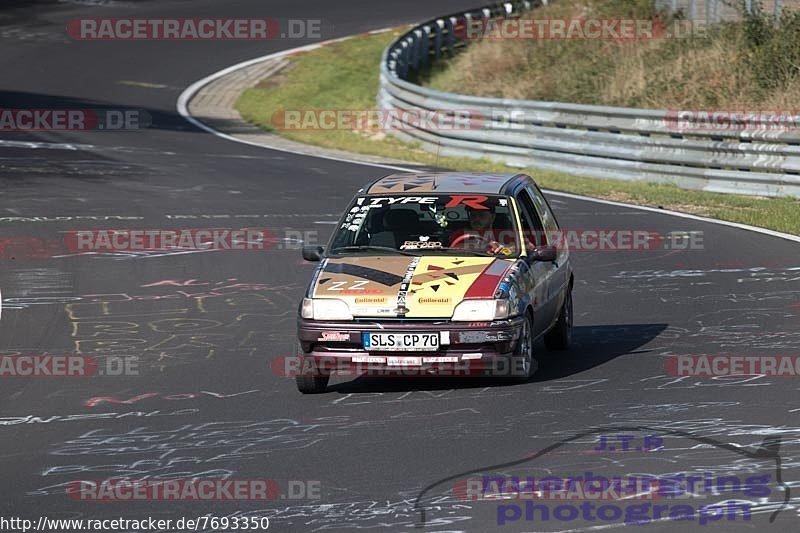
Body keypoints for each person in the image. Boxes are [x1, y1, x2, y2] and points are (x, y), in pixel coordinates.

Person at [448, 205, 516, 254]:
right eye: (473, 215)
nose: (476, 219)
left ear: (492, 217)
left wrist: (504, 249)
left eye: (481, 215)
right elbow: (447, 251)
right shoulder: (459, 234)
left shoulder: (505, 235)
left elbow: (517, 251)